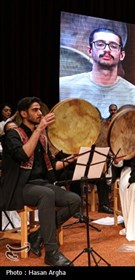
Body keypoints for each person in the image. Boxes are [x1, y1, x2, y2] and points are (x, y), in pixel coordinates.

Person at [0, 97, 81, 266]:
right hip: (20, 187)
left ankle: (38, 235)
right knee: (47, 194)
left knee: (74, 200)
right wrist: (40, 130)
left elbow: (52, 165)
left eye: (39, 110)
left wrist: (70, 160)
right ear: (23, 114)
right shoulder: (12, 135)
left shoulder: (42, 138)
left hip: (41, 184)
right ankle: (51, 254)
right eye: (35, 110)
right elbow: (22, 155)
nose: (40, 113)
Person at [60, 27, 135, 118]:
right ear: (90, 51)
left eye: (113, 46)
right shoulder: (63, 86)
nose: (107, 49)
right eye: (100, 44)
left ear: (121, 55)